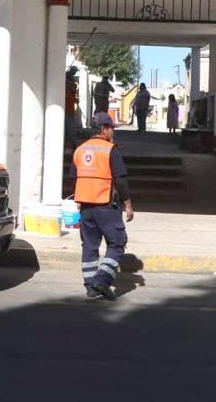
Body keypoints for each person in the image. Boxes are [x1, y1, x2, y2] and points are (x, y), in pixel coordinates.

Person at [71, 112, 134, 301]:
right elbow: (120, 180)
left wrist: (80, 198)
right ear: (103, 129)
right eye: (111, 128)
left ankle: (91, 287)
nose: (112, 132)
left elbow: (73, 177)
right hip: (106, 205)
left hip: (85, 206)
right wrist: (128, 204)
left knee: (89, 245)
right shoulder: (110, 150)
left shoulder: (80, 150)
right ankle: (102, 280)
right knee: (117, 242)